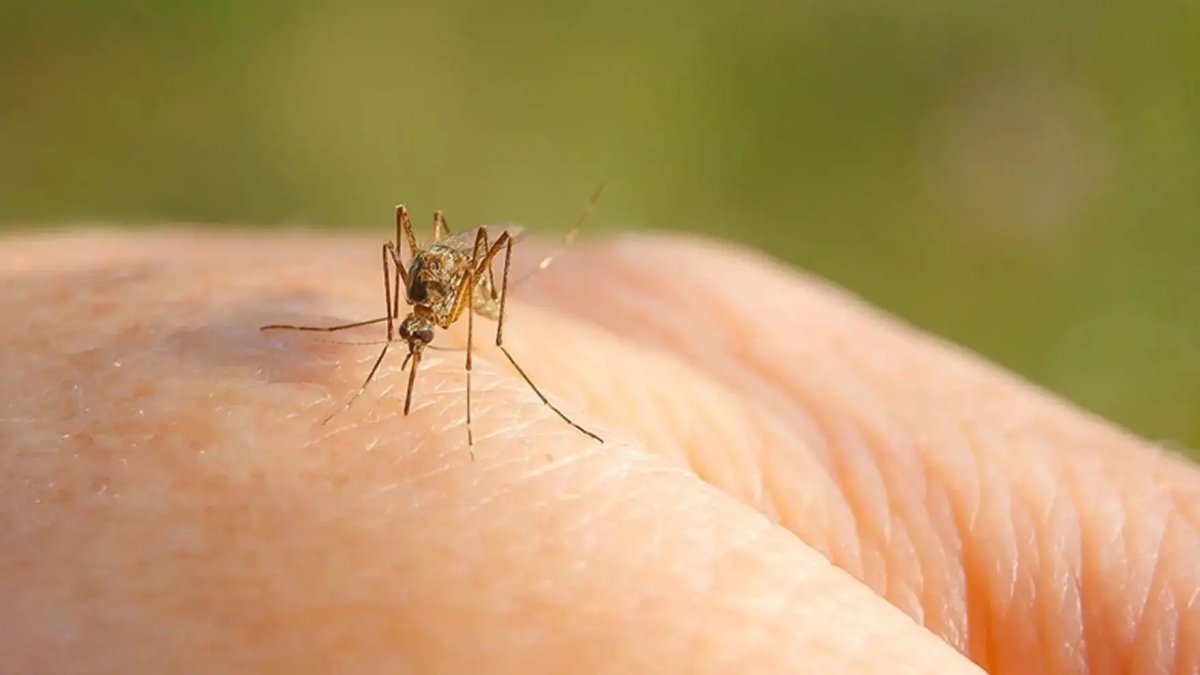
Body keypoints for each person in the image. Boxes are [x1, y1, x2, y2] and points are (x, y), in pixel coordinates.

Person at [1, 231, 1195, 674]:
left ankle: (495, 360)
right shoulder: (410, 299)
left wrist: (482, 346)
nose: (414, 345)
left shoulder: (456, 290)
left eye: (414, 331)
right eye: (413, 331)